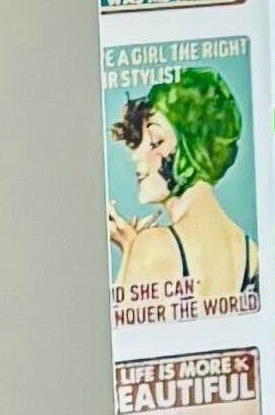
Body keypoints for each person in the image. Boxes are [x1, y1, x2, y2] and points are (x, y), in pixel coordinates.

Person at [107, 67, 258, 309]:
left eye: (156, 142)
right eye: (140, 143)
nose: (137, 156)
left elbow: (123, 338)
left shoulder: (153, 248)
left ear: (195, 149)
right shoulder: (250, 253)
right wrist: (130, 249)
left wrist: (134, 252)